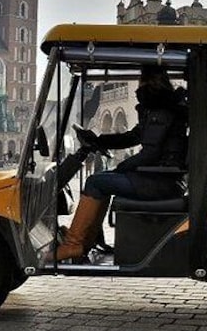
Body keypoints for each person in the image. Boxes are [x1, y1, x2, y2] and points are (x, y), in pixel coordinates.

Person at [40, 65, 188, 265]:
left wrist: (121, 168)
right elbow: (134, 136)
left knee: (96, 182)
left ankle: (73, 244)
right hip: (160, 178)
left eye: (141, 80)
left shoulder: (160, 110)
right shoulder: (159, 109)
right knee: (102, 181)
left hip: (160, 182)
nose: (138, 85)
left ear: (148, 81)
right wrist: (100, 140)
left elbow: (150, 153)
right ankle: (85, 241)